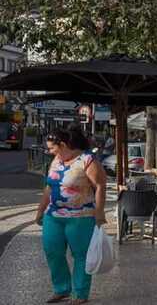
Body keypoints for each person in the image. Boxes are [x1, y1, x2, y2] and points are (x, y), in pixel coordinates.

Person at [37, 127, 107, 305]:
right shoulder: (56, 160)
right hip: (53, 215)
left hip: (81, 216)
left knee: (81, 255)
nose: (49, 151)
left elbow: (99, 186)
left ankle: (80, 293)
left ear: (63, 145)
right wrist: (40, 210)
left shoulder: (87, 160)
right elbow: (48, 187)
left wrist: (99, 212)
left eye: (52, 148)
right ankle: (62, 289)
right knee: (52, 251)